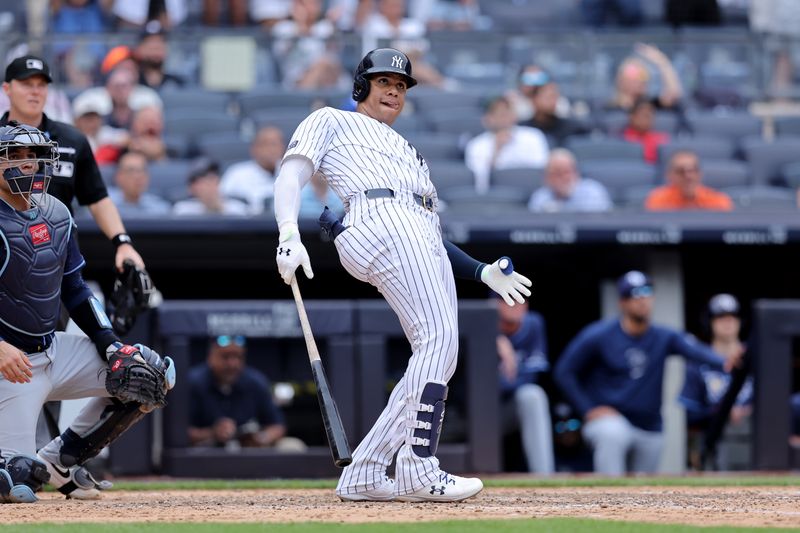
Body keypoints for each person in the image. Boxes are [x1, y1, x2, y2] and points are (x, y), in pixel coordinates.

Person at [273, 48, 532, 502]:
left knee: (438, 349)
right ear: (361, 87)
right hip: (377, 216)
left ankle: (367, 471)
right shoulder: (331, 119)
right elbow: (292, 174)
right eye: (383, 82)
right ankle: (416, 467)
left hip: (414, 228)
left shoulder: (410, 151)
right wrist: (288, 233)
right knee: (438, 340)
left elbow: (427, 225)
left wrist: (481, 271)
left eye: (400, 86)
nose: (393, 90)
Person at [0, 122, 174, 503]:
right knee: (17, 483)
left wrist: (110, 345)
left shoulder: (58, 213)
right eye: (16, 156)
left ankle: (63, 458)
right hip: (8, 365)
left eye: (34, 156)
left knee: (146, 374)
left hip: (50, 351)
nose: (27, 164)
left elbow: (75, 289)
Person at [553, 271, 737, 476]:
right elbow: (564, 371)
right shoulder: (599, 335)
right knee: (612, 434)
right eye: (634, 295)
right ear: (622, 302)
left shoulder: (663, 336)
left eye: (646, 292)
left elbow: (697, 351)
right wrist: (587, 408)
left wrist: (728, 361)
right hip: (612, 420)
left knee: (644, 488)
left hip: (649, 425)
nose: (642, 300)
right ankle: (608, 499)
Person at [1, 55, 145, 271]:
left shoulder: (72, 140)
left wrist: (122, 243)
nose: (35, 91)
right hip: (5, 248)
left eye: (41, 85)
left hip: (59, 253)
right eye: (26, 84)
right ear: (7, 89)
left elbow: (97, 198)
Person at [188, 336, 305, 451]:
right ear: (210, 357)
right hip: (207, 451)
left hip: (248, 451)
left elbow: (278, 425)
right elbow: (178, 432)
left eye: (238, 357)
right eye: (225, 357)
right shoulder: (193, 382)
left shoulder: (255, 382)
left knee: (293, 446)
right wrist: (212, 433)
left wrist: (261, 438)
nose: (232, 364)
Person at [679, 293, 752, 470]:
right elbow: (690, 416)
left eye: (732, 316)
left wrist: (750, 411)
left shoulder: (756, 358)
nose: (727, 322)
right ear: (710, 322)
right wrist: (722, 412)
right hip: (714, 444)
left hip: (754, 442)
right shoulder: (698, 363)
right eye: (720, 317)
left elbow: (777, 405)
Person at [495, 294, 554, 475]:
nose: (517, 305)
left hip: (507, 410)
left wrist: (509, 373)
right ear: (494, 304)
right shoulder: (480, 325)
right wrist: (493, 337)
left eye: (522, 299)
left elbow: (533, 375)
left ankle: (545, 477)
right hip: (475, 416)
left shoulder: (533, 324)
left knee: (532, 394)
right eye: (508, 299)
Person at [465, 95, 550, 195]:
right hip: (496, 196)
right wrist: (496, 150)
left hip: (533, 194)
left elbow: (542, 172)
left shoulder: (533, 136)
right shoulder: (476, 145)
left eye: (507, 111)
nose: (504, 117)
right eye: (498, 113)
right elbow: (480, 185)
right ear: (486, 119)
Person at [219, 126, 285, 214]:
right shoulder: (236, 174)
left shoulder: (293, 171)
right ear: (254, 148)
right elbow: (221, 203)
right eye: (266, 144)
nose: (271, 149)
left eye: (275, 144)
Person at [517, 69, 589, 147]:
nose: (553, 101)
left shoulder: (571, 127)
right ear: (534, 99)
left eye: (555, 97)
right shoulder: (523, 130)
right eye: (548, 97)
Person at [527, 148, 613, 213]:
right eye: (557, 173)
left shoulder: (593, 192)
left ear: (576, 173)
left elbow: (600, 225)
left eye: (566, 172)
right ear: (547, 177)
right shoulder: (540, 197)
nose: (563, 178)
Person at [645, 150, 733, 211]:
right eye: (681, 171)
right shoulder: (658, 200)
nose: (688, 176)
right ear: (669, 175)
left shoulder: (718, 200)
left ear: (700, 174)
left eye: (693, 170)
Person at [608, 43, 683, 112]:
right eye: (636, 76)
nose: (642, 81)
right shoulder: (612, 107)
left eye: (643, 75)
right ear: (622, 81)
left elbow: (674, 94)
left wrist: (661, 61)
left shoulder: (649, 104)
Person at [173, 157, 249, 216]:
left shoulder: (238, 209)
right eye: (203, 180)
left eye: (213, 178)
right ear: (191, 187)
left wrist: (218, 207)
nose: (209, 184)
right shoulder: (182, 210)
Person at [107, 151, 172, 218]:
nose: (138, 176)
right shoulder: (103, 206)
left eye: (142, 170)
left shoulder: (161, 209)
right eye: (131, 170)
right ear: (118, 176)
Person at [621, 97, 670, 164]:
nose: (648, 119)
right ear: (632, 117)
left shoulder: (662, 139)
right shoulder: (622, 139)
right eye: (644, 115)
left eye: (651, 115)